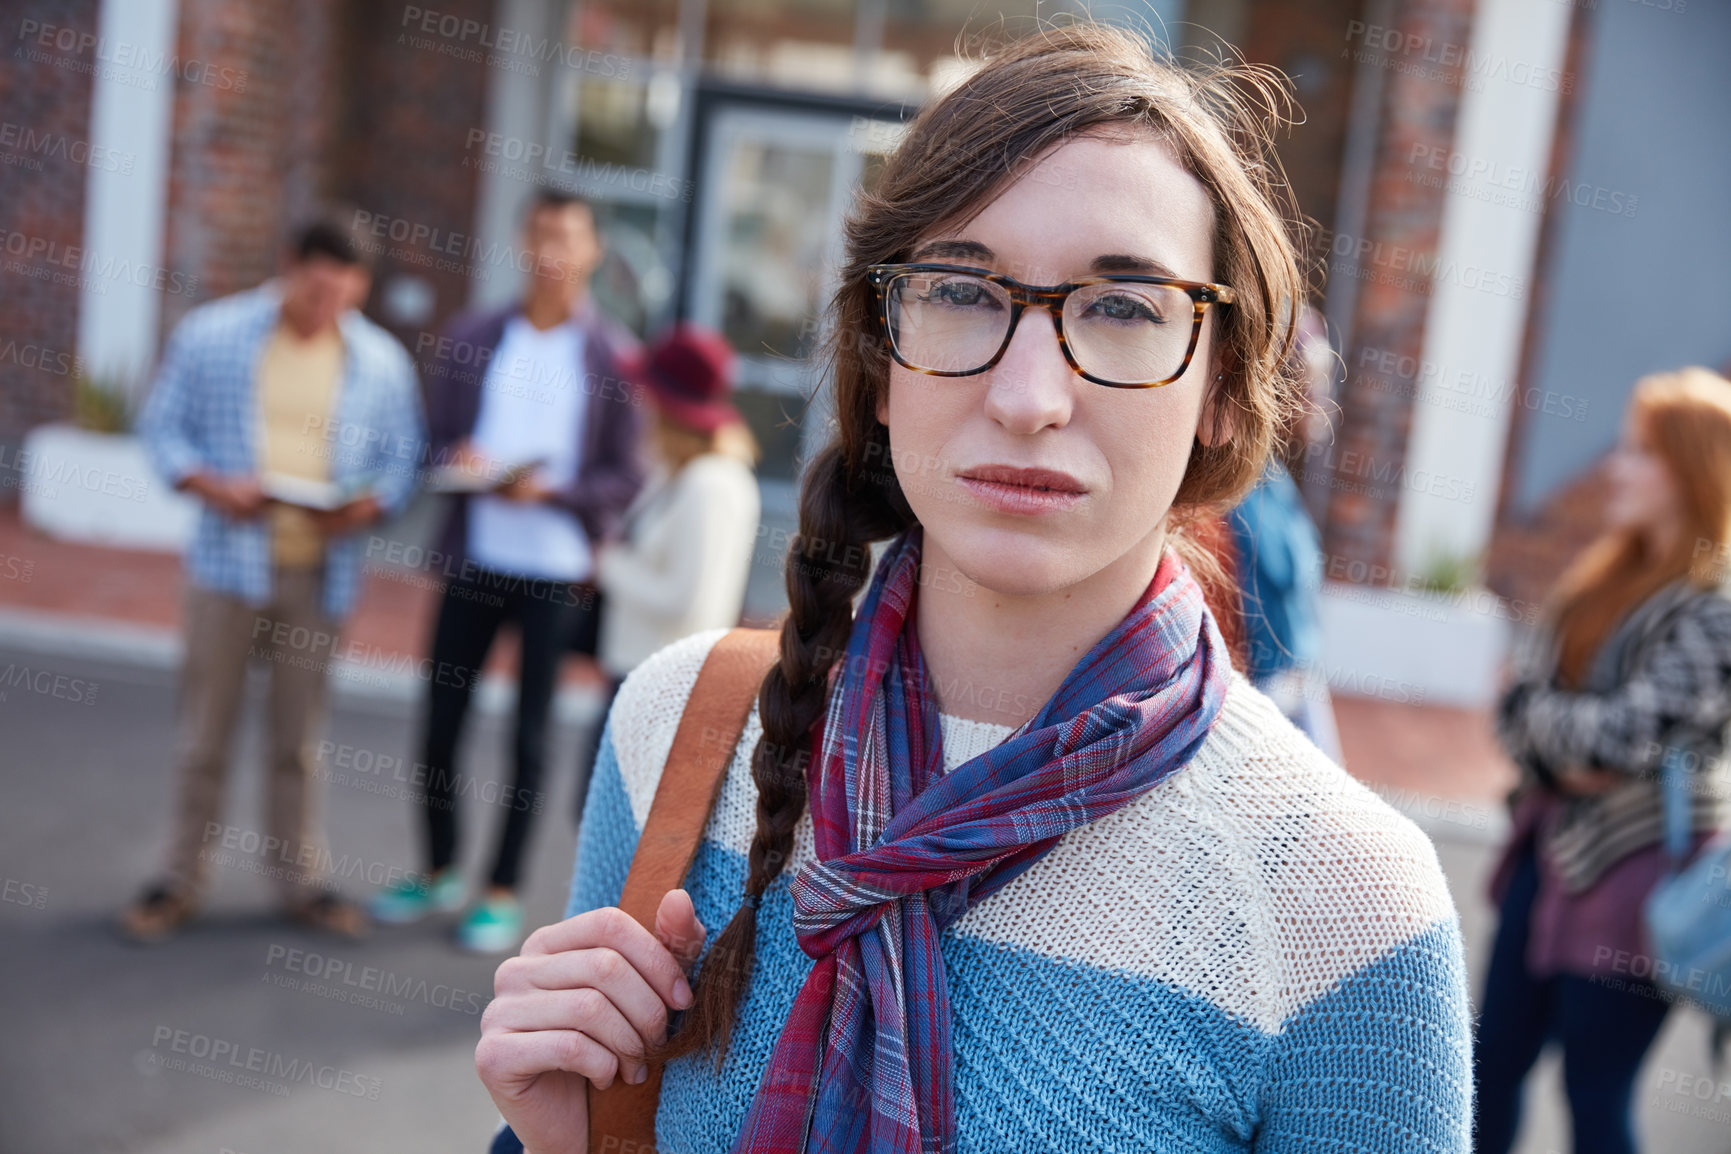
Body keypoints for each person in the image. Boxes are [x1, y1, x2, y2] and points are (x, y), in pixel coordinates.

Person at [476, 24, 1471, 1153]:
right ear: (881, 357)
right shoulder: (680, 731)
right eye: (962, 291)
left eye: (1123, 308)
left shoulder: (1344, 901)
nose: (1028, 394)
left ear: (1225, 394)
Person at [121, 214, 425, 942]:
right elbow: (161, 428)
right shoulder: (212, 335)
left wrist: (368, 506)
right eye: (316, 283)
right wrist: (210, 485)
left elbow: (403, 460)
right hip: (228, 568)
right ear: (288, 263)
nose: (328, 301)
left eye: (344, 289)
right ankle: (178, 879)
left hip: (319, 575)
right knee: (204, 736)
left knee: (299, 741)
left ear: (360, 286)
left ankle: (299, 883)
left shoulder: (380, 362)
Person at [369, 189, 647, 954]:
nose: (551, 253)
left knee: (528, 738)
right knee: (440, 721)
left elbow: (625, 478)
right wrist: (456, 460)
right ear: (523, 246)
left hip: (555, 573)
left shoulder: (612, 358)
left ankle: (499, 889)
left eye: (567, 238)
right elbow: (433, 440)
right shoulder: (476, 334)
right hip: (475, 555)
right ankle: (438, 869)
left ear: (591, 252)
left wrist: (551, 491)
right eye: (539, 237)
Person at [1475, 367, 1731, 1154]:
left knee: (1594, 1096)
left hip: (1635, 877)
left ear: (1691, 469)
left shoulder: (1713, 605)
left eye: (1638, 453)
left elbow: (1620, 740)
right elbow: (1517, 708)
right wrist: (1553, 732)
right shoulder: (1600, 577)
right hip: (1542, 860)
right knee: (1485, 1075)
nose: (1615, 468)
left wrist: (1541, 723)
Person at [572, 323, 762, 820]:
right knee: (602, 824)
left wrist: (607, 565)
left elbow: (688, 599)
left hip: (665, 688)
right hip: (638, 674)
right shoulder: (679, 472)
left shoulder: (710, 483)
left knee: (618, 832)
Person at [1226, 304, 1341, 761]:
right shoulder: (1226, 494)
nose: (1322, 400)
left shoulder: (1275, 482)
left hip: (1299, 696)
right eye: (1312, 381)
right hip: (1248, 711)